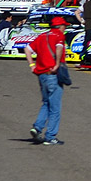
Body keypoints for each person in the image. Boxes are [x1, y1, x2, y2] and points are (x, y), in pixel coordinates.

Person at [25, 15, 68, 145]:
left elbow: (27, 49)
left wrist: (32, 65)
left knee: (46, 102)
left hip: (41, 74)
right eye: (64, 26)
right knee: (55, 107)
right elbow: (59, 47)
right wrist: (56, 64)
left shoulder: (42, 36)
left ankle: (37, 127)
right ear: (60, 27)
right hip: (52, 74)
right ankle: (50, 136)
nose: (65, 28)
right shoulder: (59, 35)